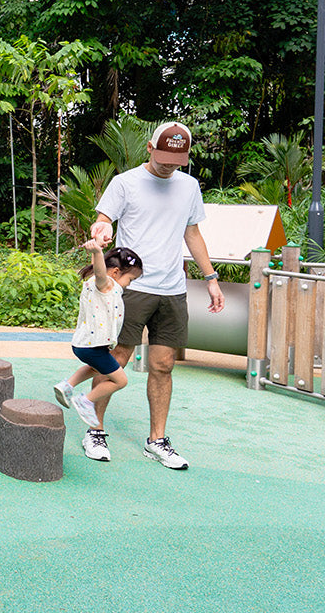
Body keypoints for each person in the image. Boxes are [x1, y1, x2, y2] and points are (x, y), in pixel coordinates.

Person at [89, 120, 223, 469]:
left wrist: (210, 277)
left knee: (163, 365)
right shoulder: (126, 183)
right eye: (162, 156)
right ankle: (95, 429)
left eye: (175, 159)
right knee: (114, 357)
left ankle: (157, 440)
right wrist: (102, 231)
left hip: (172, 290)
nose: (167, 164)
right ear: (149, 148)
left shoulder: (189, 186)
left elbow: (192, 233)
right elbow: (104, 219)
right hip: (132, 288)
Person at [54, 240, 142, 461]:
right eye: (130, 279)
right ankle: (87, 401)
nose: (129, 285)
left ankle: (67, 385)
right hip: (92, 346)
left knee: (94, 368)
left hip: (86, 346)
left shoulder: (99, 285)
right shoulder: (105, 284)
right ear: (115, 272)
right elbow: (102, 274)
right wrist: (97, 253)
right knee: (120, 380)